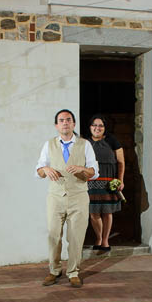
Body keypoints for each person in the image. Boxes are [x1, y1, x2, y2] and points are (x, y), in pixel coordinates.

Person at [35, 109, 98, 288]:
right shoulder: (49, 145)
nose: (65, 123)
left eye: (68, 120)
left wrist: (82, 169)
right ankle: (54, 270)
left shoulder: (84, 145)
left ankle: (73, 272)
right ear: (56, 125)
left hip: (78, 197)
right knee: (54, 235)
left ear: (74, 124)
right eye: (61, 120)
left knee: (76, 237)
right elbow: (38, 170)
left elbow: (94, 171)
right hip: (55, 197)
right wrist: (45, 169)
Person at [86, 115, 124, 252]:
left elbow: (121, 162)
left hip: (108, 182)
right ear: (90, 127)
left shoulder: (112, 141)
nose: (97, 128)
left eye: (100, 125)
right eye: (94, 125)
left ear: (105, 128)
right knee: (93, 213)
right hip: (91, 182)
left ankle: (105, 240)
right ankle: (98, 238)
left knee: (107, 212)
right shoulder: (85, 143)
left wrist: (120, 180)